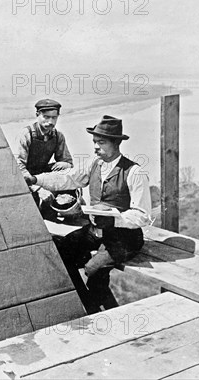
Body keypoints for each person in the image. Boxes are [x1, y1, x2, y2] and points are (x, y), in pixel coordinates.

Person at [24, 115, 152, 314]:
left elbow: (142, 216)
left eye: (101, 142)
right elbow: (67, 180)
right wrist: (36, 179)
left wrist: (114, 218)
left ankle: (102, 313)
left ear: (116, 143)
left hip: (124, 238)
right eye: (94, 142)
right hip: (95, 231)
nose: (95, 147)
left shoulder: (134, 172)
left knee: (93, 270)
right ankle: (90, 307)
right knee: (60, 253)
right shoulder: (94, 164)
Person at [16, 99, 73, 214]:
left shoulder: (58, 136)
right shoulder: (26, 135)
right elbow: (19, 167)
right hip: (25, 177)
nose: (50, 121)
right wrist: (38, 189)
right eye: (46, 117)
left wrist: (65, 164)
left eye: (54, 117)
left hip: (42, 174)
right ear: (37, 115)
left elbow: (69, 162)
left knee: (65, 170)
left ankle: (59, 206)